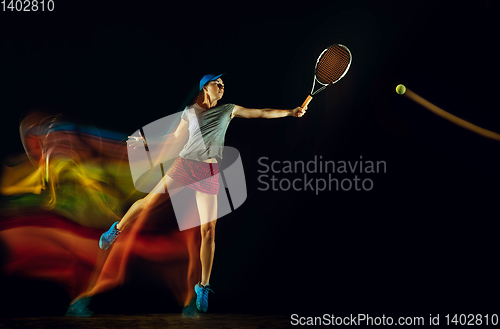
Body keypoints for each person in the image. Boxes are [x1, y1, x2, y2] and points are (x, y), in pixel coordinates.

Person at [98, 73, 307, 314]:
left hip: (208, 172)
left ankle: (203, 285)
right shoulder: (190, 112)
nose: (221, 86)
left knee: (208, 231)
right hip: (185, 165)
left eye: (223, 84)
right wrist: (146, 142)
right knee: (147, 203)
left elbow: (260, 112)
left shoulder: (229, 109)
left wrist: (291, 112)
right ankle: (117, 229)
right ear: (205, 88)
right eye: (216, 83)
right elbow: (175, 138)